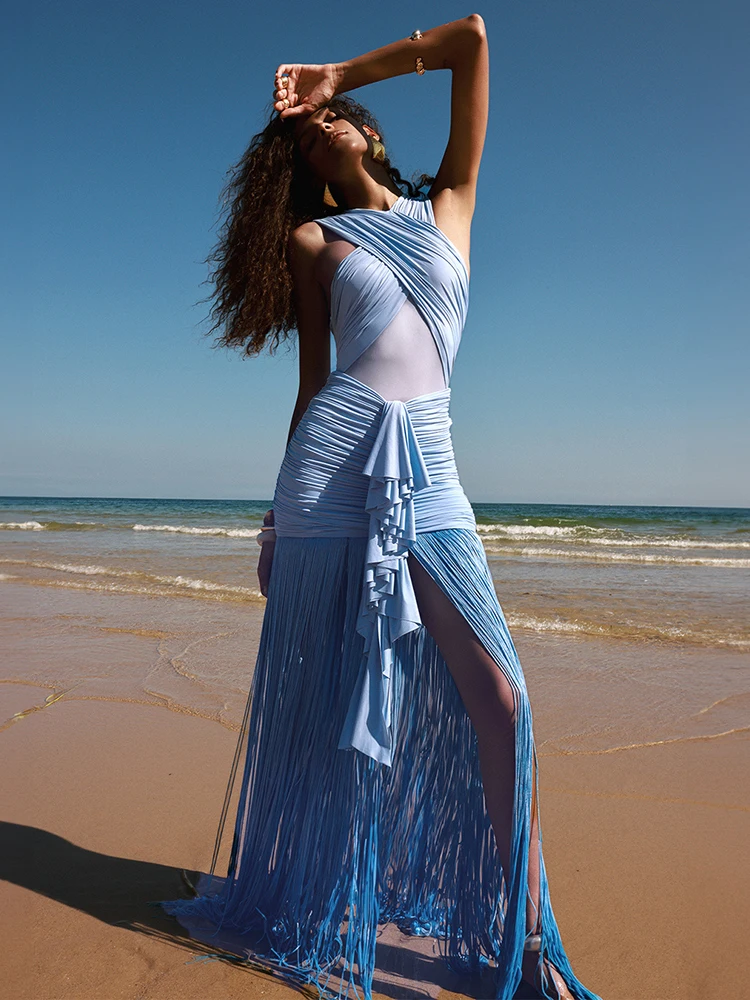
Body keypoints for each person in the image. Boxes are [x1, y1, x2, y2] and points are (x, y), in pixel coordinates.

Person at [158, 16, 601, 1000]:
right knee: (326, 714)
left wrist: (335, 72)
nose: (322, 132)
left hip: (429, 467)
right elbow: (312, 386)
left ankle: (528, 943)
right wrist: (274, 518)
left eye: (334, 118)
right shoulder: (315, 241)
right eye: (306, 138)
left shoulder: (451, 204)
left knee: (504, 701)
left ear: (367, 127)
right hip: (328, 479)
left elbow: (472, 41)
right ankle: (310, 892)